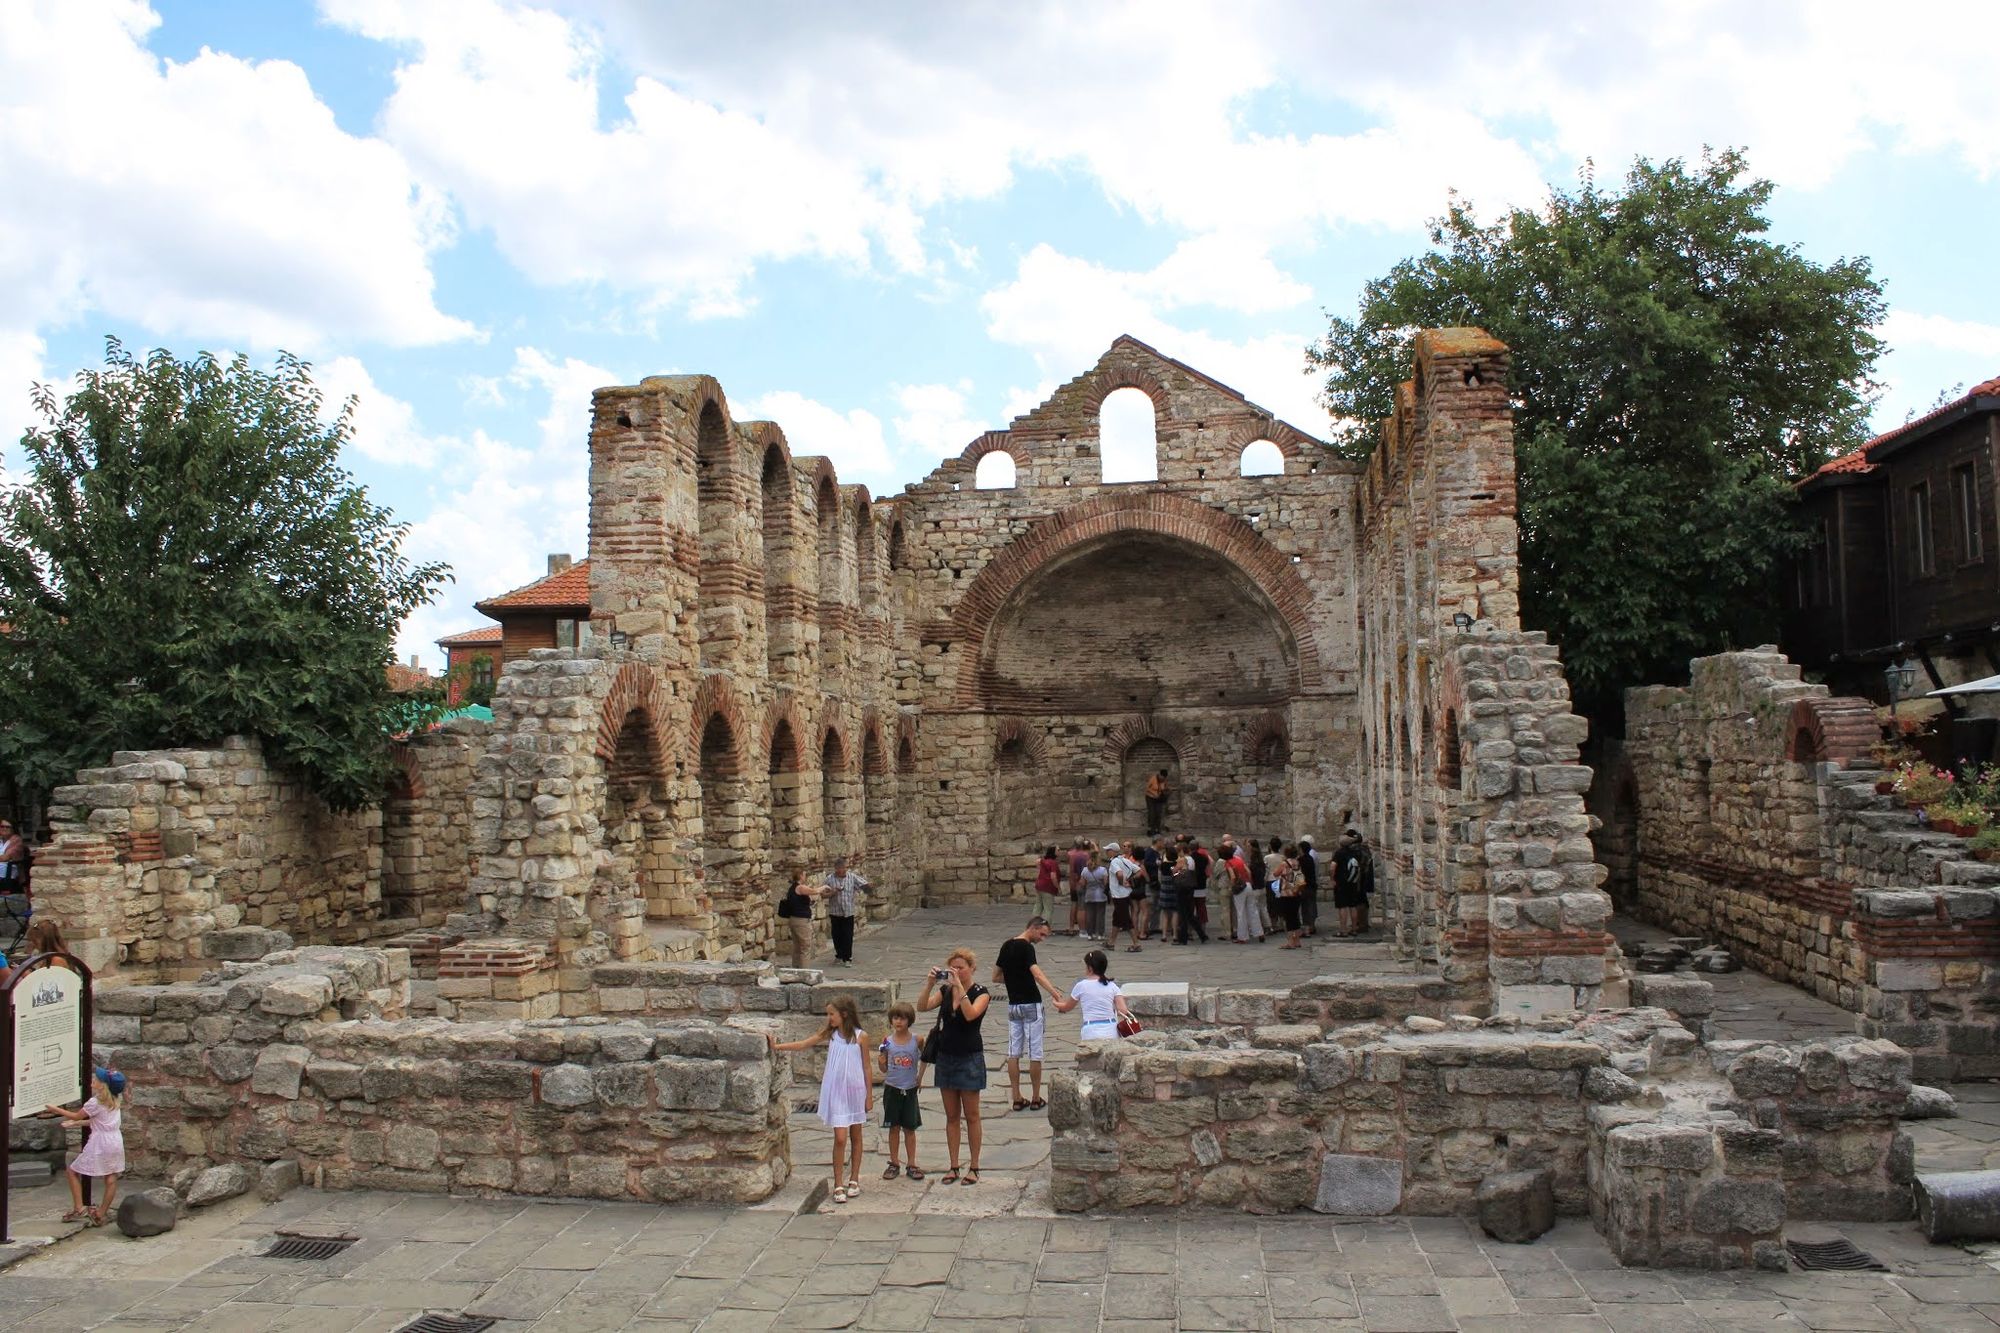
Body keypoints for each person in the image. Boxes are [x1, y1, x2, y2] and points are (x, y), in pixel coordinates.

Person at [771, 997, 873, 1204]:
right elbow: (803, 1044)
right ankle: (837, 1182)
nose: (829, 1018)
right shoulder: (830, 1034)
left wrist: (868, 1095)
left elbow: (867, 1066)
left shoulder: (861, 1037)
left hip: (855, 1091)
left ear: (844, 1014)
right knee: (840, 1137)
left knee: (856, 1134)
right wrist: (777, 1046)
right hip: (836, 1092)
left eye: (831, 1014)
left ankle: (854, 1178)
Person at [917, 946, 991, 1185]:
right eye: (954, 967)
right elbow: (922, 1006)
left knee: (972, 1115)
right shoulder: (945, 990)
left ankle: (975, 1166)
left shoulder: (982, 992)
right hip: (946, 1056)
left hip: (969, 1057)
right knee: (951, 1116)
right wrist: (929, 983)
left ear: (971, 968)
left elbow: (970, 1015)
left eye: (961, 967)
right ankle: (953, 1165)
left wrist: (960, 987)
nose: (957, 971)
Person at [993, 916, 1077, 1112]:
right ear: (1033, 928)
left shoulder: (1006, 945)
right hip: (1031, 1004)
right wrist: (1055, 993)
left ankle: (1016, 1097)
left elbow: (996, 976)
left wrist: (1014, 979)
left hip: (1014, 1006)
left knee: (1013, 1052)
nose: (1042, 939)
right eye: (1042, 934)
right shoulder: (1026, 948)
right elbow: (1037, 974)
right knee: (1035, 1052)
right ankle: (1036, 1096)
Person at [48, 1068, 125, 1226]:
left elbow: (77, 1114)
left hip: (100, 1143)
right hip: (115, 1140)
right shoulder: (115, 1100)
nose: (93, 1081)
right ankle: (101, 1213)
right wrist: (76, 1124)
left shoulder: (94, 1102)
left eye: (96, 1080)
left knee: (72, 1171)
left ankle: (79, 1208)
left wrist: (54, 1108)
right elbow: (101, 1122)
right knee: (111, 1178)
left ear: (102, 1086)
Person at [877, 1002, 925, 1182]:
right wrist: (881, 1061)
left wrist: (920, 1077)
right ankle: (894, 1162)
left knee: (910, 1127)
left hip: (910, 1089)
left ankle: (911, 1163)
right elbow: (883, 1069)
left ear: (909, 1020)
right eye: (895, 1018)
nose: (898, 1021)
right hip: (892, 1088)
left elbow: (925, 1057)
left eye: (902, 1018)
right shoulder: (887, 1042)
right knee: (893, 1127)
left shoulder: (917, 1040)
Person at [1070, 948, 1135, 1042]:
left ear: (1090, 968)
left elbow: (1067, 1006)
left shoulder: (1081, 985)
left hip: (1090, 1031)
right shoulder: (1112, 986)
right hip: (1111, 1030)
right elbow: (1123, 1010)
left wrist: (1058, 1003)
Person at [821, 855, 869, 967]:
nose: (844, 870)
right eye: (842, 868)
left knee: (847, 935)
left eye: (845, 868)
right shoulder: (829, 879)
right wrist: (833, 892)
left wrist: (869, 887)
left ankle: (847, 957)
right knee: (836, 935)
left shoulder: (851, 877)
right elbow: (823, 894)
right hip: (835, 912)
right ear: (837, 869)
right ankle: (839, 955)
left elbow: (863, 884)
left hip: (848, 911)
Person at [776, 867, 821, 968]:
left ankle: (795, 969)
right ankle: (804, 971)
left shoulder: (792, 888)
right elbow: (814, 891)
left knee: (797, 947)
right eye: (804, 875)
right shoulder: (800, 887)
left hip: (794, 919)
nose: (805, 877)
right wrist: (824, 887)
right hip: (801, 921)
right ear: (800, 875)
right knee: (805, 947)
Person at [1225, 837, 1264, 943]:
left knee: (1241, 912)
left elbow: (1232, 877)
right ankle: (1259, 933)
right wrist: (1249, 882)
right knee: (1253, 910)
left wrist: (1231, 886)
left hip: (1239, 887)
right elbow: (1248, 872)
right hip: (1248, 885)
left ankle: (1242, 937)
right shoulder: (1239, 859)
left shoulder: (1229, 862)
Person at [1105, 842, 1142, 953]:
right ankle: (1111, 942)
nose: (1106, 852)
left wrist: (1122, 882)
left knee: (1126, 920)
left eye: (1108, 850)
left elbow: (1119, 874)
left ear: (1112, 851)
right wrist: (1131, 881)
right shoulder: (1124, 860)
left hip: (1119, 895)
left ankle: (1136, 944)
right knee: (1117, 919)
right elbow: (1139, 871)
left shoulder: (1114, 862)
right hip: (1126, 894)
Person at [1274, 842, 1305, 949]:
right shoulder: (1298, 862)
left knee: (1288, 918)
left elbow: (1275, 873)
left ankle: (1290, 942)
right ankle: (1297, 940)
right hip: (1296, 892)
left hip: (1286, 893)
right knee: (1295, 917)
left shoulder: (1284, 863)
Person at [1079, 850, 1109, 941]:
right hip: (1100, 895)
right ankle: (1100, 934)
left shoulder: (1085, 870)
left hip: (1089, 894)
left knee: (1090, 915)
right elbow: (1105, 883)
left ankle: (1090, 934)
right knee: (1100, 915)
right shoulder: (1102, 870)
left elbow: (1082, 883)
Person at [1065, 838, 1091, 936]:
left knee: (1075, 904)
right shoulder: (1087, 855)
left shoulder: (1071, 854)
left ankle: (1072, 926)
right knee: (1084, 907)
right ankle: (1085, 928)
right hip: (1084, 883)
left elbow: (1072, 871)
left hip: (1075, 882)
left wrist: (1072, 883)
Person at [1297, 836, 1320, 938]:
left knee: (1305, 908)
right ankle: (1311, 925)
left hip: (1304, 886)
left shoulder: (1300, 860)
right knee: (1311, 905)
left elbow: (1299, 874)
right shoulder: (1311, 858)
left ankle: (1306, 929)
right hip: (1312, 885)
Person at [1144, 768, 1171, 835]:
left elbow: (1166, 788)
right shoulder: (1153, 779)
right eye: (1162, 777)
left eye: (1164, 778)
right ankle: (1150, 829)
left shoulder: (1164, 781)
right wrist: (1154, 794)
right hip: (1150, 798)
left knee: (1158, 813)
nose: (1163, 779)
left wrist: (1167, 791)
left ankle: (1157, 829)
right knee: (1152, 813)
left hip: (1158, 799)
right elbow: (1147, 788)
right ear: (1160, 775)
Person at [1034, 846, 1061, 911]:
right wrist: (1058, 887)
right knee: (1048, 909)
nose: (1059, 851)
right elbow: (1053, 876)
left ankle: (1035, 920)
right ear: (1053, 851)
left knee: (1038, 907)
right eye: (1058, 850)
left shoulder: (1044, 861)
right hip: (1048, 887)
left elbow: (1037, 861)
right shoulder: (1053, 863)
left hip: (1039, 886)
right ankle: (1046, 921)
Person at [0, 819, 23, 889]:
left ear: (13, 829)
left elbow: (5, 858)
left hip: (7, 876)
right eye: (2, 826)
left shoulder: (16, 840)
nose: (4, 828)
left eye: (7, 827)